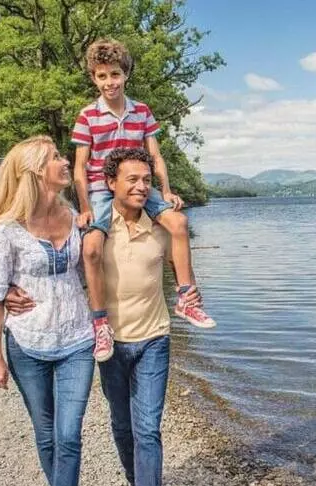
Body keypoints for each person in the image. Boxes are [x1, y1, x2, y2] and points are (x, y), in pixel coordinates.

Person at [0, 135, 93, 486]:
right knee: (45, 433)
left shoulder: (75, 217)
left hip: (77, 340)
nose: (66, 162)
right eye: (56, 158)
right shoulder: (7, 230)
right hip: (27, 344)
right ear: (35, 172)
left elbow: (98, 264)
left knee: (69, 434)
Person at [72, 38, 216, 365]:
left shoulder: (141, 112)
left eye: (115, 75)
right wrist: (84, 207)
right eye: (102, 76)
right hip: (101, 186)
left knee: (178, 223)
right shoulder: (88, 116)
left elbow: (155, 155)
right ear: (94, 78)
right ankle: (100, 323)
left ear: (126, 75)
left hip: (138, 182)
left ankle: (186, 298)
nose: (109, 82)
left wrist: (165, 190)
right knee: (92, 248)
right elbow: (80, 166)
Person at [98, 147, 182, 486]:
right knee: (121, 424)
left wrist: (190, 291)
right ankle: (136, 482)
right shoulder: (95, 231)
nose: (140, 185)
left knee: (148, 428)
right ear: (111, 183)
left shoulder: (160, 227)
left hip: (154, 339)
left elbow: (181, 258)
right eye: (131, 179)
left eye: (145, 179)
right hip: (110, 344)